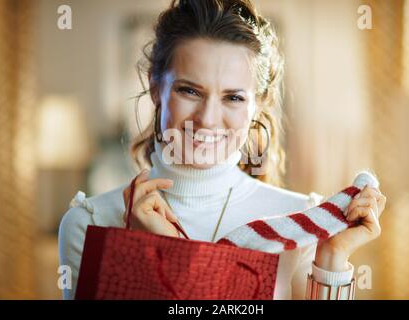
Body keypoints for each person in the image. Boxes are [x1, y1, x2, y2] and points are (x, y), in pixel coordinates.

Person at [59, 0, 386, 300]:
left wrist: (331, 258)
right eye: (189, 90)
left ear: (260, 105)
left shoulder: (301, 228)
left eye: (233, 97)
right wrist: (143, 253)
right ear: (156, 88)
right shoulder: (90, 225)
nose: (208, 119)